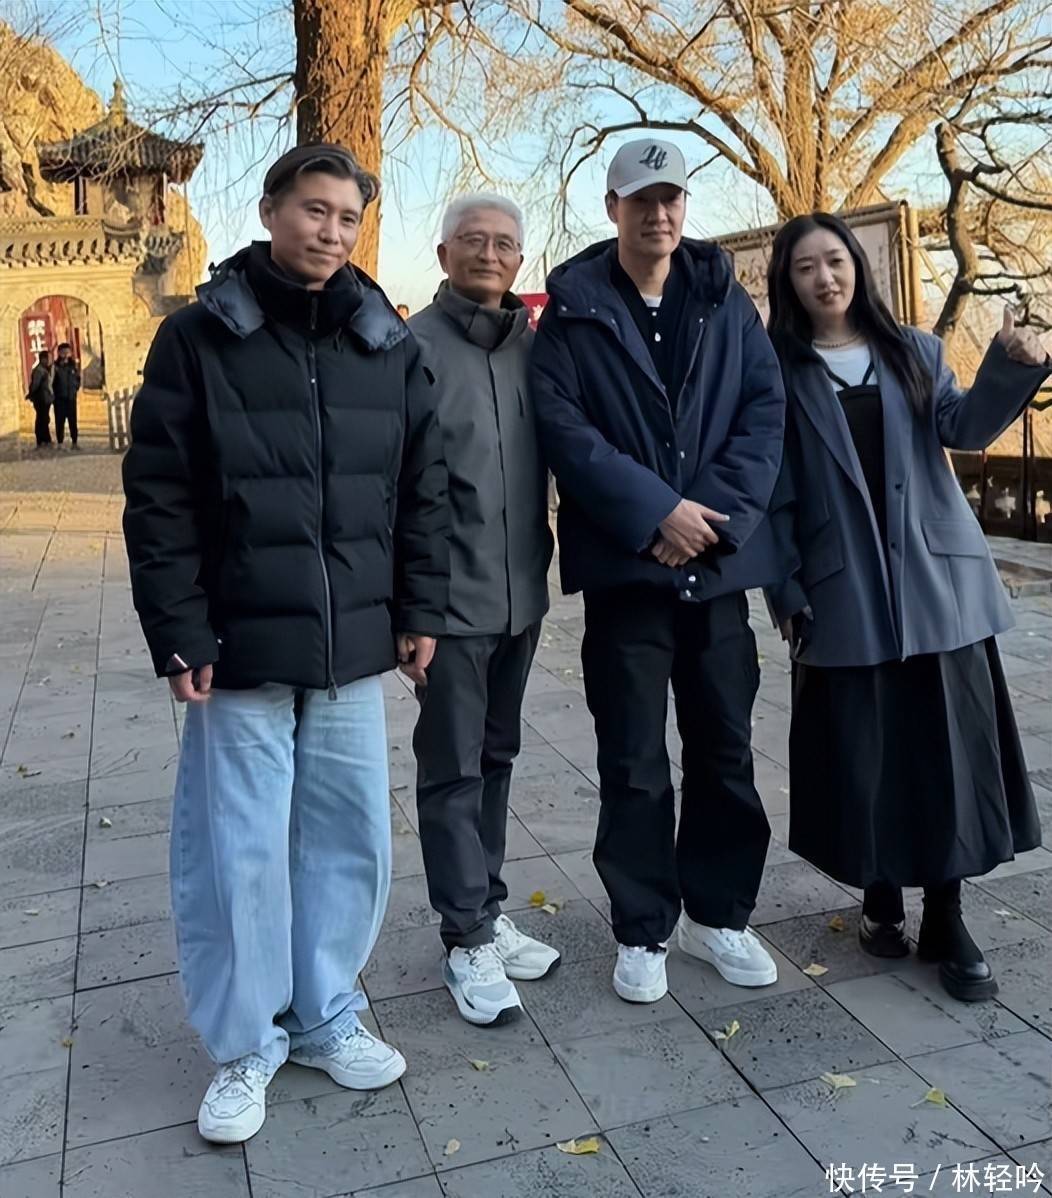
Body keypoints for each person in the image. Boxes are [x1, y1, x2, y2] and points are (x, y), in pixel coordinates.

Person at [122, 143, 449, 1144]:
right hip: (238, 645)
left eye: (348, 217)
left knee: (348, 837)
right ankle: (244, 1043)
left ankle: (325, 1013)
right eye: (314, 209)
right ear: (269, 211)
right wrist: (180, 630)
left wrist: (419, 608)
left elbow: (424, 487)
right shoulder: (198, 336)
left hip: (353, 644)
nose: (331, 232)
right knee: (240, 849)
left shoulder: (385, 340)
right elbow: (160, 498)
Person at [764, 212, 1049, 1002]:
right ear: (788, 283)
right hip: (841, 590)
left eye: (835, 260)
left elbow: (966, 425)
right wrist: (783, 587)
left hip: (936, 587)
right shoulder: (777, 372)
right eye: (806, 268)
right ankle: (880, 897)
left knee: (945, 753)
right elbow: (771, 490)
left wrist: (1011, 363)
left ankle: (947, 917)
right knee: (867, 754)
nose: (825, 278)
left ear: (857, 266)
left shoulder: (914, 350)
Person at [530, 139, 787, 1005]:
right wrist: (655, 514)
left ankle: (721, 914)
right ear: (613, 208)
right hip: (628, 580)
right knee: (634, 759)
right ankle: (643, 927)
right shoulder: (574, 311)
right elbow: (567, 433)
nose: (659, 214)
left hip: (713, 573)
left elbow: (763, 412)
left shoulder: (722, 299)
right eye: (641, 199)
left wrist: (702, 519)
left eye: (671, 198)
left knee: (725, 750)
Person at [409, 194, 557, 1026]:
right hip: (449, 605)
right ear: (444, 255)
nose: (490, 254)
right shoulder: (413, 349)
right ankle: (464, 935)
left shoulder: (536, 349)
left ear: (520, 260)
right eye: (473, 241)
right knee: (452, 769)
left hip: (521, 596)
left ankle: (488, 910)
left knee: (497, 755)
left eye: (504, 243)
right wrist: (411, 608)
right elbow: (394, 487)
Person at [53, 342, 81, 450]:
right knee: (60, 421)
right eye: (63, 352)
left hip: (71, 398)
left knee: (73, 421)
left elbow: (78, 379)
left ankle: (74, 442)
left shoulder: (73, 366)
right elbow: (52, 382)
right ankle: (60, 442)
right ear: (59, 353)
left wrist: (75, 388)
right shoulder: (55, 367)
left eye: (67, 352)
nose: (65, 354)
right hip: (59, 399)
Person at [26, 349, 53, 448]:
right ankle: (41, 440)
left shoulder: (46, 370)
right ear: (43, 359)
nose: (50, 361)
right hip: (41, 398)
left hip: (46, 398)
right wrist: (31, 394)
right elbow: (35, 385)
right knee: (42, 419)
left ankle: (46, 439)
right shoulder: (39, 371)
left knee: (45, 419)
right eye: (49, 359)